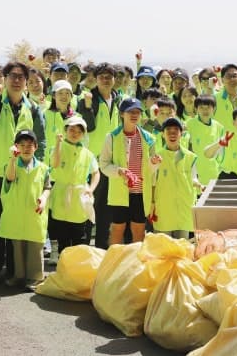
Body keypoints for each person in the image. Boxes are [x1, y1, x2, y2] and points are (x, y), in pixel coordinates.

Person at [0, 61, 46, 284]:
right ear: (5, 79)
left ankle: (14, 269)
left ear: (26, 82)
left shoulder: (34, 108)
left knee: (16, 220)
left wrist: (40, 168)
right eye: (12, 76)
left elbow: (41, 140)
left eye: (21, 77)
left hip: (22, 173)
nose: (17, 80)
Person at [99, 98, 159, 246]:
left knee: (139, 229)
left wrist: (154, 163)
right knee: (117, 228)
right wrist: (119, 171)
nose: (134, 115)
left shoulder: (149, 138)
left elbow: (151, 171)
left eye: (138, 112)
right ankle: (114, 263)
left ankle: (136, 264)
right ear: (121, 114)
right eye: (130, 112)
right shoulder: (111, 137)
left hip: (140, 192)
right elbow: (104, 164)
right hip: (119, 192)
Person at [0, 129, 51, 290]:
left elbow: (48, 187)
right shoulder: (10, 164)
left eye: (30, 145)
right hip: (17, 212)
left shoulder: (43, 168)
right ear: (16, 147)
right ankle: (19, 276)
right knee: (17, 245)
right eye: (22, 145)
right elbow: (10, 178)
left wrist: (43, 199)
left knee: (35, 245)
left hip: (35, 211)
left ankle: (35, 277)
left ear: (36, 147)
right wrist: (12, 160)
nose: (26, 148)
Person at [76, 62, 121, 249]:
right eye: (101, 76)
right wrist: (87, 107)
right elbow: (89, 127)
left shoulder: (119, 100)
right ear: (95, 78)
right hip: (92, 161)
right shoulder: (87, 99)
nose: (105, 79)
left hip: (112, 161)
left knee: (107, 208)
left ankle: (103, 248)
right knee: (89, 205)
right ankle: (84, 248)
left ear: (114, 79)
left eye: (109, 76)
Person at [48, 117, 99, 254]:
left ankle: (77, 270)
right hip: (61, 196)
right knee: (63, 237)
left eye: (78, 131)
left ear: (83, 134)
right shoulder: (57, 147)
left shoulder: (88, 154)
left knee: (79, 237)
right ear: (65, 131)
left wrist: (91, 188)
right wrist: (58, 144)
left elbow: (96, 173)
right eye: (71, 130)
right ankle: (63, 268)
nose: (75, 133)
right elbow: (55, 164)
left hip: (79, 198)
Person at [149, 118, 200, 239]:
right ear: (163, 134)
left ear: (181, 134)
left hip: (184, 208)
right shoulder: (157, 157)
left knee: (182, 248)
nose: (172, 134)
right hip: (164, 208)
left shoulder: (190, 157)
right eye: (168, 131)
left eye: (176, 130)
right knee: (163, 247)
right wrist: (151, 204)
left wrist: (199, 184)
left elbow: (193, 178)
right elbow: (152, 182)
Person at [186, 95, 225, 188]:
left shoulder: (219, 127)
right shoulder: (189, 124)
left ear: (214, 109)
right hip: (195, 172)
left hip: (214, 172)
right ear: (196, 109)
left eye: (208, 107)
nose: (205, 110)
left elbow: (222, 152)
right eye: (201, 107)